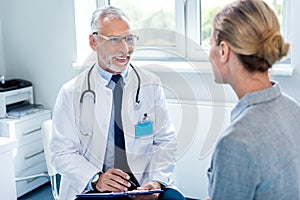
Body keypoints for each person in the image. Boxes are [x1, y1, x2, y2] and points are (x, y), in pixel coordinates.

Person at [50, 5, 185, 200]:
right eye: (114, 40)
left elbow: (165, 141)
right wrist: (96, 178)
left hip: (144, 183)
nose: (125, 49)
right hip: (95, 187)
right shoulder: (71, 92)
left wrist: (155, 181)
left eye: (129, 39)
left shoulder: (150, 84)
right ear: (93, 41)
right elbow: (61, 152)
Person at [206, 0, 300, 199]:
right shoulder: (293, 109)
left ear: (224, 50)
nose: (209, 54)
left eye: (210, 44)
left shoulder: (236, 143)